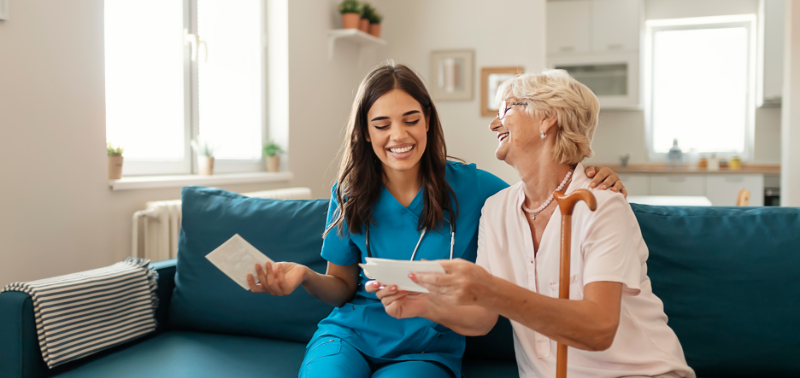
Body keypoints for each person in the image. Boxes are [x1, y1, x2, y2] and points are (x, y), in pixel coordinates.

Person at [246, 63, 626, 378]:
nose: (399, 135)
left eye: (411, 119)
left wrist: (591, 174)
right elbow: (343, 287)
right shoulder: (349, 191)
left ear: (428, 121)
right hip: (348, 336)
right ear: (364, 132)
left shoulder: (475, 188)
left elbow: (543, 187)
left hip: (427, 346)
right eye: (381, 125)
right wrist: (304, 277)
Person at [372, 70, 695, 378]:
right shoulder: (498, 209)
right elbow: (482, 317)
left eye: (506, 108)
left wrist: (492, 289)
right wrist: (426, 304)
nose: (494, 123)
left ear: (547, 118)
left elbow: (598, 330)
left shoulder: (600, 204)